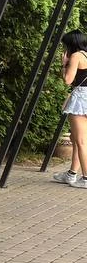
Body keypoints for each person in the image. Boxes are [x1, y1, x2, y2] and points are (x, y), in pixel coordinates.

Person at [53, 30, 87, 187]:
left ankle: (85, 178)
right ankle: (72, 174)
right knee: (75, 138)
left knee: (81, 141)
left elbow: (68, 80)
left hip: (80, 100)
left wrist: (64, 64)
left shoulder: (76, 56)